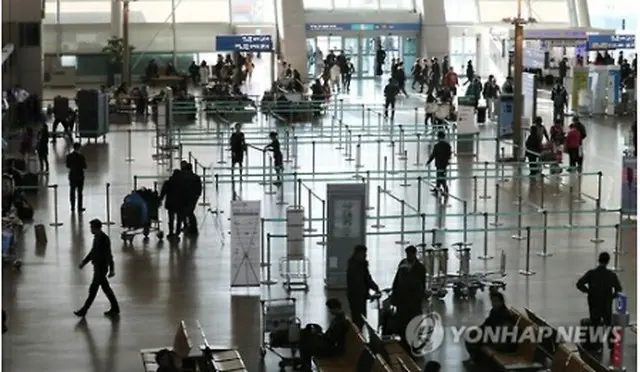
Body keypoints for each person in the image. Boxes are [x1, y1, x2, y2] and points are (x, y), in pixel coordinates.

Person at [576, 252, 622, 352]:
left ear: (599, 260)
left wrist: (588, 291)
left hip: (594, 302)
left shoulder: (591, 273)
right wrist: (611, 297)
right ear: (608, 261)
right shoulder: (611, 275)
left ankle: (597, 346)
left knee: (595, 323)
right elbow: (619, 289)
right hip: (606, 303)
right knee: (608, 323)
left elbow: (579, 284)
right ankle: (611, 345)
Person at [74, 219, 120, 317]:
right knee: (105, 288)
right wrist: (84, 262)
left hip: (101, 268)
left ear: (96, 228)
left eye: (91, 227)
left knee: (93, 290)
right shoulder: (97, 237)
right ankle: (115, 307)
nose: (90, 229)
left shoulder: (104, 239)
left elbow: (108, 254)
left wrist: (112, 268)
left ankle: (84, 310)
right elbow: (93, 252)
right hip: (98, 267)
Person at [464, 292, 517, 364]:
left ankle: (477, 359)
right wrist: (479, 330)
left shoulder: (505, 314)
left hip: (498, 339)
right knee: (471, 335)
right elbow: (487, 323)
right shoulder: (494, 311)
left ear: (501, 302)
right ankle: (474, 357)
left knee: (475, 339)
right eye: (492, 301)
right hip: (492, 335)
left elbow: (504, 331)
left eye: (496, 301)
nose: (493, 303)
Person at [391, 245, 426, 352]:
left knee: (414, 320)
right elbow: (397, 280)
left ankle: (414, 342)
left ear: (415, 254)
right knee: (402, 320)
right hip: (403, 299)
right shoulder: (403, 264)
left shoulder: (420, 267)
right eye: (407, 254)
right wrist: (394, 294)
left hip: (414, 299)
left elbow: (422, 283)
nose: (409, 256)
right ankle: (404, 341)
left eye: (411, 254)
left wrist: (421, 295)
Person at [299, 299, 349, 372]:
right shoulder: (339, 319)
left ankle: (306, 367)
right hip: (329, 344)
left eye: (331, 309)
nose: (330, 311)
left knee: (306, 344)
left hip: (331, 349)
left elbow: (332, 338)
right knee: (306, 338)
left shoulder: (340, 322)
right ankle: (305, 367)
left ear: (336, 308)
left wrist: (319, 335)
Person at [346, 245, 379, 329]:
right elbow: (364, 279)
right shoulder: (357, 265)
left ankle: (357, 334)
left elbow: (366, 278)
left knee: (358, 316)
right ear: (358, 253)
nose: (365, 255)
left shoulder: (356, 264)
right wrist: (374, 288)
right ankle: (358, 336)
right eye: (363, 253)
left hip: (356, 294)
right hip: (357, 295)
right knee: (359, 317)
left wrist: (374, 287)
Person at [426, 131, 452, 195]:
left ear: (438, 137)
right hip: (444, 164)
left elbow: (433, 155)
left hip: (438, 163)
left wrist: (428, 162)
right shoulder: (447, 145)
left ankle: (445, 190)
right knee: (441, 176)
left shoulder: (437, 146)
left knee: (440, 177)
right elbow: (449, 154)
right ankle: (437, 188)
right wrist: (448, 161)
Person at [160, 169, 183, 240]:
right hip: (180, 203)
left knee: (171, 218)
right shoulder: (182, 183)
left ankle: (171, 232)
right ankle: (177, 232)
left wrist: (160, 199)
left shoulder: (168, 182)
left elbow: (163, 192)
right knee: (179, 219)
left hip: (170, 203)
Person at [180, 161, 202, 236]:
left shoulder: (184, 177)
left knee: (187, 212)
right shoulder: (196, 177)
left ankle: (191, 227)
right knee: (189, 212)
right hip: (193, 197)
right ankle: (192, 227)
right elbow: (199, 189)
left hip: (186, 197)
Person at [66, 143, 87, 213]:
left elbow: (67, 165)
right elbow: (84, 166)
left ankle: (72, 207)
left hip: (72, 176)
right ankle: (79, 207)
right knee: (80, 192)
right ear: (79, 148)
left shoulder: (69, 156)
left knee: (72, 191)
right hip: (80, 176)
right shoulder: (81, 157)